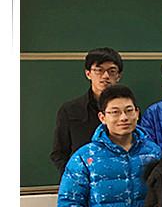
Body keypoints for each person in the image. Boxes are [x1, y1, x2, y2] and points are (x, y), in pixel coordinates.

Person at [51, 47, 124, 175]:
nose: (105, 76)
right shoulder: (70, 110)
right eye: (99, 70)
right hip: (82, 180)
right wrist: (74, 177)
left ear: (119, 76)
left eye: (112, 71)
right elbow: (59, 154)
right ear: (88, 74)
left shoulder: (127, 111)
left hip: (119, 179)